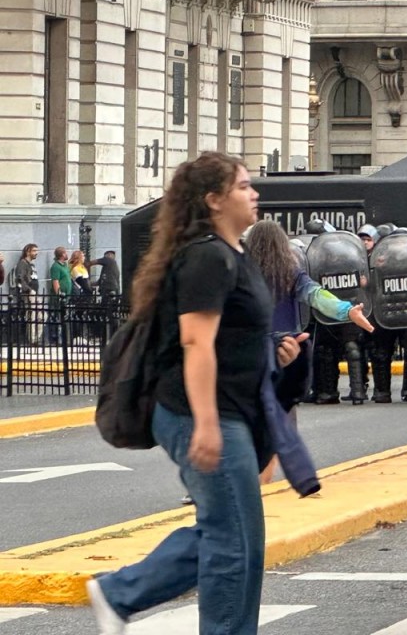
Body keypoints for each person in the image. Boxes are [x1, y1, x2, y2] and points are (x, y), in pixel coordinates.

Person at [86, 151, 308, 635]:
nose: (255, 193)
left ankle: (119, 592)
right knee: (230, 543)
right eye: (243, 186)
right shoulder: (206, 256)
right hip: (199, 413)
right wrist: (205, 422)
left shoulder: (235, 254)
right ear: (213, 200)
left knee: (240, 540)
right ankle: (122, 592)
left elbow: (233, 339)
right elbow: (196, 341)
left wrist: (276, 353)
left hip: (231, 413)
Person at [245, 219, 373, 481]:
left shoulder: (240, 271)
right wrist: (347, 310)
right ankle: (261, 480)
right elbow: (317, 296)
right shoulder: (290, 272)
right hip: (287, 348)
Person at [13, 244, 41, 345]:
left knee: (41, 315)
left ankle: (37, 337)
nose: (36, 253)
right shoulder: (22, 263)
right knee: (32, 315)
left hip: (35, 292)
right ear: (27, 251)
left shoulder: (31, 264)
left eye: (36, 250)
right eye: (34, 251)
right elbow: (20, 279)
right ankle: (32, 339)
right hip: (28, 293)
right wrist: (29, 290)